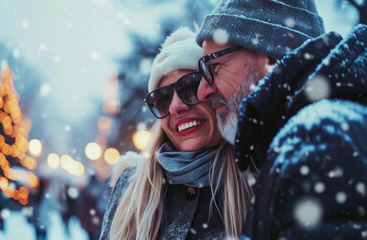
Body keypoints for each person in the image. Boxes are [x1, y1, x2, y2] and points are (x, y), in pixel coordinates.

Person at [195, 0, 367, 239]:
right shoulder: (318, 135)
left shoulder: (317, 142)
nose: (202, 91)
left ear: (271, 56)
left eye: (213, 67)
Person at [99, 27, 253, 240]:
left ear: (214, 94)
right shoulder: (130, 189)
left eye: (190, 87)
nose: (175, 107)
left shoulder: (258, 181)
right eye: (161, 99)